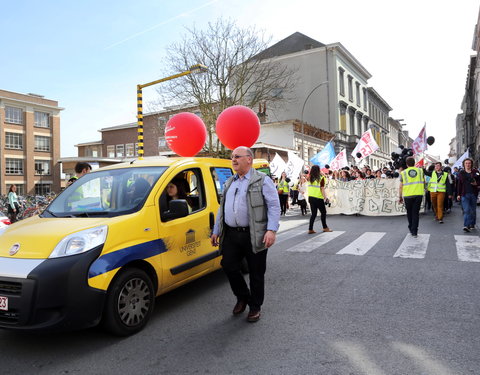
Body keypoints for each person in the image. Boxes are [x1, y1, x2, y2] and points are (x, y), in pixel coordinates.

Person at [210, 146, 280, 323]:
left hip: (255, 234)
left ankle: (255, 306)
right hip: (232, 235)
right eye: (232, 157)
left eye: (237, 157)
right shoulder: (229, 182)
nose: (233, 160)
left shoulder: (262, 180)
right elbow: (222, 208)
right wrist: (216, 230)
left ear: (249, 159)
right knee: (228, 265)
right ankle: (243, 296)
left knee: (256, 272)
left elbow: (273, 206)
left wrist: (271, 230)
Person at [399, 157, 425, 238]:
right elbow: (424, 182)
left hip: (408, 195)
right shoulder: (420, 171)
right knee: (415, 213)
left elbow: (400, 186)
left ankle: (411, 227)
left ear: (407, 164)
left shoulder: (403, 173)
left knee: (409, 212)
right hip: (418, 194)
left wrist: (399, 197)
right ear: (414, 163)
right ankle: (415, 231)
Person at [456, 158, 480, 232]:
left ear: (471, 164)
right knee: (467, 210)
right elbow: (459, 184)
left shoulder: (476, 172)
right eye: (466, 163)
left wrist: (476, 184)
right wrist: (458, 194)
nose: (468, 165)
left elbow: (479, 181)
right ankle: (466, 225)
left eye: (469, 163)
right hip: (464, 194)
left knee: (473, 210)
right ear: (464, 164)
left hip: (473, 193)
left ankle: (472, 224)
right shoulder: (461, 173)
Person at [307, 164, 332, 234]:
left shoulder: (309, 178)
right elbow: (322, 189)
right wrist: (325, 197)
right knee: (323, 212)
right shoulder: (321, 178)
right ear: (318, 170)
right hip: (318, 198)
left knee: (313, 214)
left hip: (311, 197)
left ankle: (310, 229)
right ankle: (325, 227)